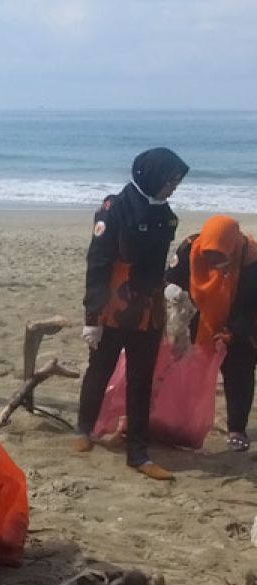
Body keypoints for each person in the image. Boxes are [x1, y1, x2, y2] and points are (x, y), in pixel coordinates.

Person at [74, 147, 188, 480]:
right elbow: (97, 264)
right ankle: (84, 428)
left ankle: (138, 452)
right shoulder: (114, 210)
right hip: (113, 308)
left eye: (177, 182)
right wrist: (91, 318)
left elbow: (158, 266)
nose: (173, 187)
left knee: (141, 381)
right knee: (101, 369)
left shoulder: (166, 216)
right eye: (170, 180)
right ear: (150, 176)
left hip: (149, 313)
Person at [165, 215, 257, 452]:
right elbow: (171, 278)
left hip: (238, 321)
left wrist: (233, 331)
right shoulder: (190, 248)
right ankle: (180, 421)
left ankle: (237, 428)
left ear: (232, 248)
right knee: (187, 368)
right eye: (209, 253)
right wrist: (172, 290)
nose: (212, 258)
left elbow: (251, 305)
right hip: (198, 315)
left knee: (240, 372)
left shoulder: (251, 260)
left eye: (219, 255)